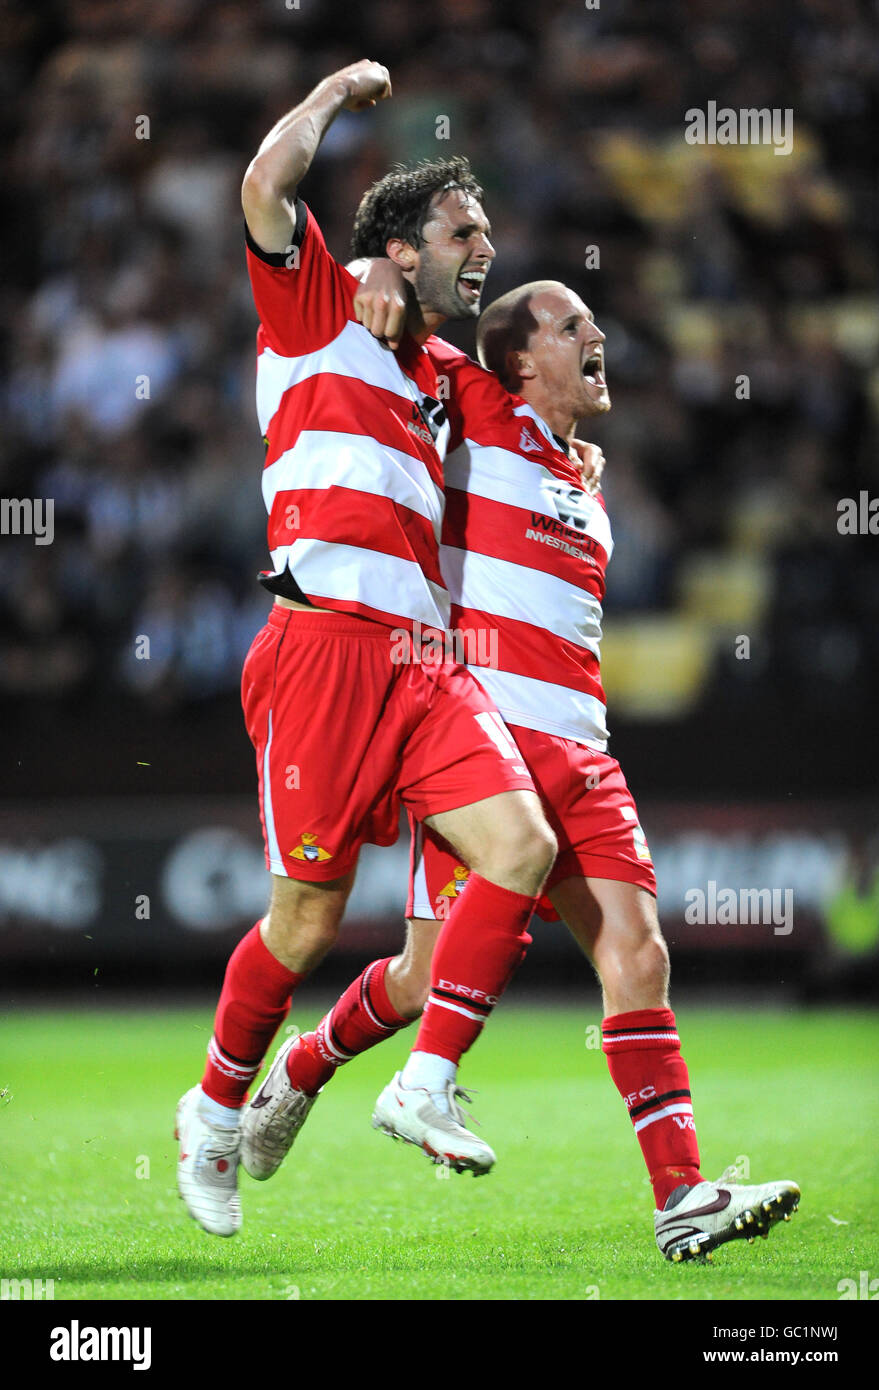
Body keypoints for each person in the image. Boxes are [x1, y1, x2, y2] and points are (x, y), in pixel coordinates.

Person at [243, 274, 801, 1263]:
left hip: (583, 749)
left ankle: (681, 1197)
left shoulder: (583, 472)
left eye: (595, 321)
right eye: (572, 325)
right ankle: (310, 1069)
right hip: (485, 744)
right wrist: (377, 274)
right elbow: (397, 332)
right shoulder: (479, 407)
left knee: (639, 955)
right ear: (519, 358)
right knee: (420, 978)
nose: (599, 337)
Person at [175, 60, 559, 1239]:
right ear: (401, 249)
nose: (481, 245)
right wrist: (336, 93)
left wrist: (573, 457)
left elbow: (533, 404)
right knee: (301, 922)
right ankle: (213, 1107)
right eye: (461, 229)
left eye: (487, 228)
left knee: (522, 846)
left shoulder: (445, 369)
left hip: (425, 662)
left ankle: (418, 1080)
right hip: (323, 652)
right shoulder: (315, 303)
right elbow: (262, 182)